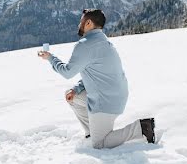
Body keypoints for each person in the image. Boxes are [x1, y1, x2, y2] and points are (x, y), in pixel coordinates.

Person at [38, 9, 155, 148]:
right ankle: (92, 131)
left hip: (104, 101)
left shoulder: (85, 45)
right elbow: (94, 73)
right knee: (72, 96)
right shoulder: (106, 43)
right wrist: (76, 89)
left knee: (100, 144)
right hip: (116, 96)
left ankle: (141, 128)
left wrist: (50, 58)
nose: (79, 25)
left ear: (88, 23)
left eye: (81, 21)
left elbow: (67, 72)